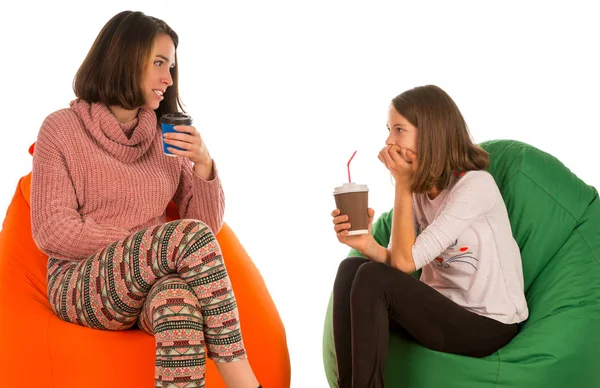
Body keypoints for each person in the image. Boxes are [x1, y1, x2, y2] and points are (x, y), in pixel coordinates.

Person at [30, 10, 261, 388]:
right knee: (182, 238)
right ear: (124, 57)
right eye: (158, 63)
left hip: (149, 284)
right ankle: (241, 377)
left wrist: (202, 163)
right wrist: (145, 246)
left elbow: (205, 229)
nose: (168, 79)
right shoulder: (61, 128)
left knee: (179, 305)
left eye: (170, 66)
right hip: (81, 283)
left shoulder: (163, 135)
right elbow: (52, 231)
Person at [330, 85, 529, 388]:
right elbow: (402, 260)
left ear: (431, 133)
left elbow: (404, 264)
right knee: (352, 269)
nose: (389, 141)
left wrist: (402, 184)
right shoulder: (420, 190)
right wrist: (366, 244)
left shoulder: (475, 186)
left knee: (371, 276)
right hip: (441, 308)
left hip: (488, 324)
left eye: (399, 130)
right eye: (389, 130)